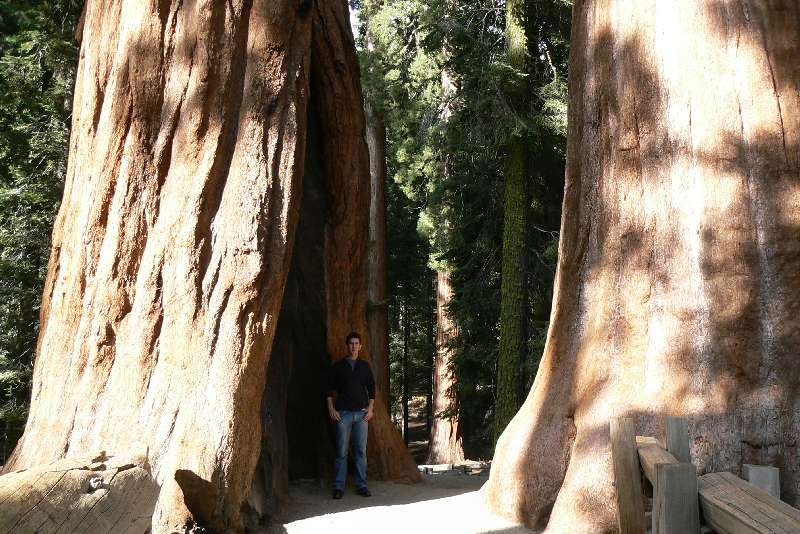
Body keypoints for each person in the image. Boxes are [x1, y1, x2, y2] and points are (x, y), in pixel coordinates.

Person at [326, 331, 375, 499]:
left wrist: (370, 409)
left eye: (356, 344)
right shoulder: (338, 366)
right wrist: (331, 408)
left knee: (361, 451)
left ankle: (362, 485)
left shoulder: (365, 366)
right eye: (351, 343)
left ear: (360, 346)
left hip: (361, 415)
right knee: (341, 451)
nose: (354, 346)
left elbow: (372, 389)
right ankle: (339, 486)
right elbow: (329, 389)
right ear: (347, 346)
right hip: (344, 414)